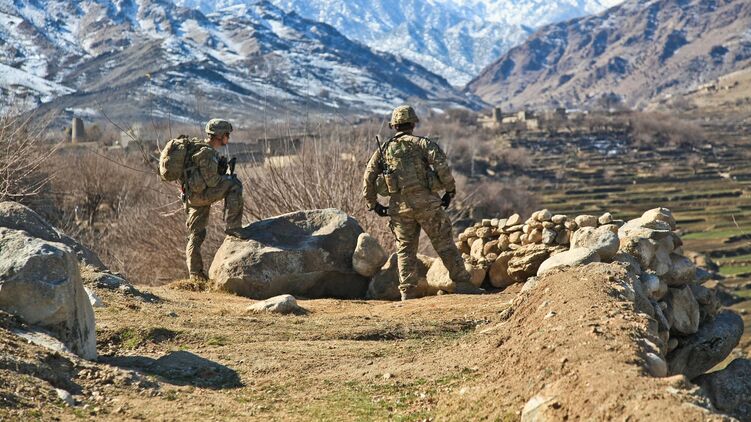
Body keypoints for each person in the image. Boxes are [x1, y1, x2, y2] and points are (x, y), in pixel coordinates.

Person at [362, 105, 483, 300]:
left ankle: (407, 292)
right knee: (444, 244)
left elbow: (368, 177)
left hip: (400, 209)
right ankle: (463, 284)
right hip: (428, 206)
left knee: (405, 250)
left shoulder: (383, 149)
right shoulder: (423, 144)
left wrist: (373, 204)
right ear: (413, 124)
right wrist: (449, 190)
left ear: (394, 126)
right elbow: (442, 166)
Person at [183, 119, 244, 282]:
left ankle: (195, 275)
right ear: (220, 135)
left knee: (197, 234)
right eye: (227, 135)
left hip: (192, 197)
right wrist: (225, 176)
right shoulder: (207, 153)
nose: (228, 138)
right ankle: (234, 227)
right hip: (201, 196)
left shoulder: (199, 148)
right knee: (235, 185)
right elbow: (213, 182)